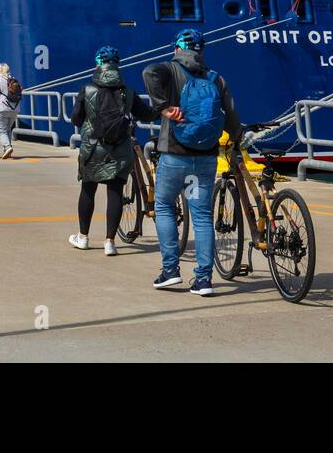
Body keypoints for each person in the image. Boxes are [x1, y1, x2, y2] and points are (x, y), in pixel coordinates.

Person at [142, 28, 243, 296]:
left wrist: (163, 106)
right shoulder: (215, 77)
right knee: (201, 217)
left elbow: (148, 73)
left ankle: (170, 271)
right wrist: (237, 137)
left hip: (174, 155)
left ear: (176, 48)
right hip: (206, 158)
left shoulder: (169, 68)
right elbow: (231, 114)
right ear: (201, 50)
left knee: (163, 206)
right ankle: (204, 280)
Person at [69, 46, 160, 255]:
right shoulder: (128, 93)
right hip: (120, 149)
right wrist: (164, 108)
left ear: (98, 64)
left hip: (92, 149)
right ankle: (110, 242)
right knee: (115, 192)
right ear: (117, 65)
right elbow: (146, 114)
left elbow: (76, 118)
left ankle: (83, 237)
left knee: (88, 191)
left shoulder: (87, 90)